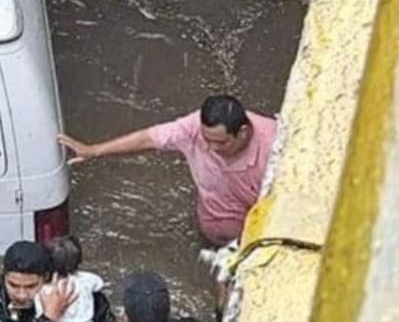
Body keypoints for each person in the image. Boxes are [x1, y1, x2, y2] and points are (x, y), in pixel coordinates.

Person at [58, 94, 277, 246]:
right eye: (206, 139)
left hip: (261, 233)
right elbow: (149, 138)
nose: (210, 147)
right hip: (215, 230)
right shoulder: (193, 129)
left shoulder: (276, 146)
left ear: (243, 132)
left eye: (220, 143)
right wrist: (94, 151)